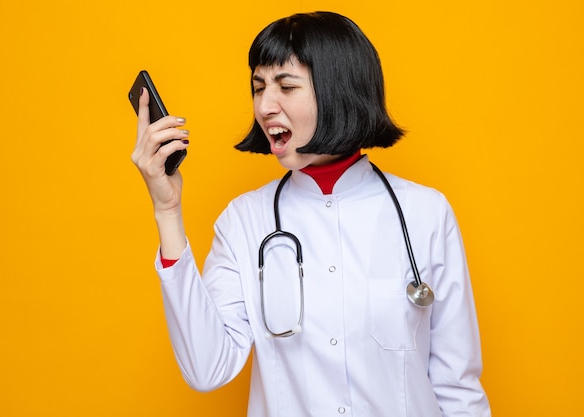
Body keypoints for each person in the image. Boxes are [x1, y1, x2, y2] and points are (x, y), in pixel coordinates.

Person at [131, 11, 491, 417]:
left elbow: (457, 386)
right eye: (258, 87)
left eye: (286, 86)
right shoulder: (244, 221)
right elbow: (207, 367)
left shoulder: (425, 212)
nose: (265, 106)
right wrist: (167, 211)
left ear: (338, 90)